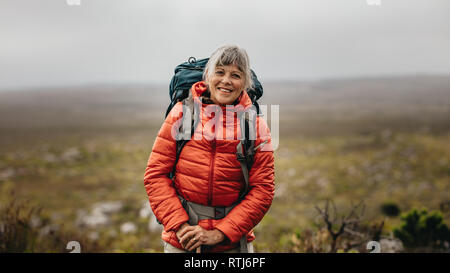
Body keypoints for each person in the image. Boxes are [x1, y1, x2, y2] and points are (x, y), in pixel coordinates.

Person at [143, 45, 275, 253]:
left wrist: (219, 233)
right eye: (220, 72)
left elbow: (263, 190)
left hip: (232, 244)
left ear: (245, 83)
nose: (226, 81)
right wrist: (180, 226)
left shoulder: (257, 126)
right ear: (208, 76)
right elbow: (155, 175)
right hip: (182, 240)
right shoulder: (182, 114)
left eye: (236, 75)